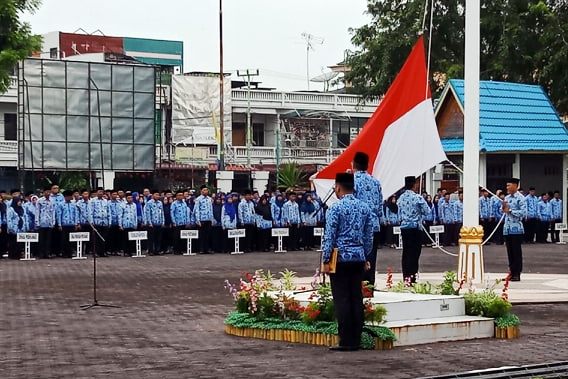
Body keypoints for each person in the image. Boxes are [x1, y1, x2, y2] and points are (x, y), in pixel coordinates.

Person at [321, 173, 373, 352]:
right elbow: (369, 236)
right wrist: (365, 256)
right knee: (356, 297)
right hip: (358, 257)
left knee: (342, 299)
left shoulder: (335, 208)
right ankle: (356, 339)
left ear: (338, 187)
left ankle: (346, 340)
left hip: (341, 259)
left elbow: (329, 236)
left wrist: (325, 259)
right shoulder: (365, 208)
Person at [352, 152, 383, 286]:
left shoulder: (352, 180)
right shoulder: (376, 182)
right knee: (371, 258)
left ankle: (358, 287)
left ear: (354, 164)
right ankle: (369, 287)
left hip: (357, 226)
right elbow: (380, 206)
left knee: (356, 258)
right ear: (367, 165)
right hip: (374, 225)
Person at [397, 176, 431, 283]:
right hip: (415, 228)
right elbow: (427, 211)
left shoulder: (400, 198)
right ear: (413, 185)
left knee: (406, 252)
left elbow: (399, 215)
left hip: (404, 227)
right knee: (415, 254)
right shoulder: (418, 198)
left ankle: (406, 277)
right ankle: (412, 276)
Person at [502, 178, 527, 282]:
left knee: (516, 252)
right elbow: (503, 210)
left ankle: (517, 273)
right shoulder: (507, 197)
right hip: (507, 228)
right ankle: (511, 272)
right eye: (507, 185)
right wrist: (503, 207)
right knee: (509, 251)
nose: (507, 188)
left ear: (515, 186)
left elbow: (523, 213)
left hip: (516, 228)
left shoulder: (521, 198)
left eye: (509, 185)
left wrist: (510, 210)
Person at [56, 190, 80, 258]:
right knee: (64, 239)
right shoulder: (61, 204)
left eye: (70, 196)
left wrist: (76, 223)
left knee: (71, 239)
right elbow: (59, 215)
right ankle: (64, 253)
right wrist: (59, 224)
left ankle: (71, 252)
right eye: (67, 196)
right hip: (64, 224)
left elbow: (76, 214)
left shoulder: (74, 204)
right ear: (65, 197)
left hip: (72, 224)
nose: (69, 198)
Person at [90, 188, 110, 257]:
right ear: (96, 192)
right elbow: (91, 212)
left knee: (104, 238)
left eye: (102, 192)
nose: (101, 193)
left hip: (104, 222)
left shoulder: (106, 201)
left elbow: (108, 211)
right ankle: (95, 252)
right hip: (96, 222)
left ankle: (103, 252)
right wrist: (91, 221)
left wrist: (109, 221)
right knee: (96, 239)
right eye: (99, 192)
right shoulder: (93, 201)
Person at [144, 190, 165, 255]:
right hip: (152, 223)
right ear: (152, 195)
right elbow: (148, 213)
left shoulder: (160, 203)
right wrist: (149, 222)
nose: (157, 196)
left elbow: (162, 212)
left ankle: (157, 250)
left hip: (159, 222)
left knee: (158, 238)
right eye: (156, 195)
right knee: (151, 238)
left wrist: (163, 221)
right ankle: (151, 251)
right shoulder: (149, 203)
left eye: (158, 195)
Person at [194, 185, 214, 254]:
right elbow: (196, 210)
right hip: (202, 219)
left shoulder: (209, 199)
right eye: (204, 190)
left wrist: (212, 219)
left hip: (208, 219)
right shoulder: (198, 199)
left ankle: (207, 248)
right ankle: (201, 249)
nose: (206, 191)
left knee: (208, 235)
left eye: (207, 190)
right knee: (201, 235)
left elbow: (211, 209)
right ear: (201, 191)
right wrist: (197, 220)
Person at [37, 187, 56, 259]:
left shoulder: (52, 201)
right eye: (46, 192)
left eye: (49, 192)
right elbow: (37, 211)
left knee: (48, 240)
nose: (48, 193)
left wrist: (53, 222)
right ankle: (41, 254)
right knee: (41, 239)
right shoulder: (40, 201)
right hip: (42, 222)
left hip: (49, 222)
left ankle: (47, 253)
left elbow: (53, 212)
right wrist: (37, 222)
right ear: (44, 193)